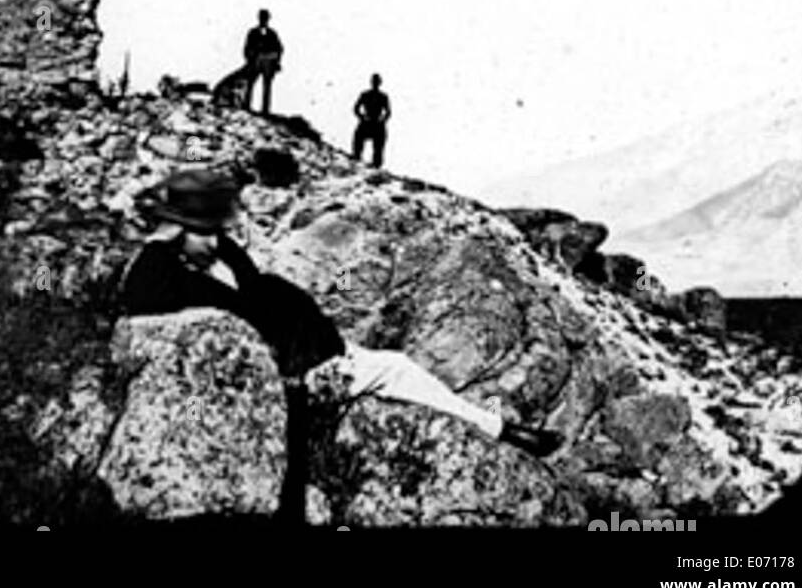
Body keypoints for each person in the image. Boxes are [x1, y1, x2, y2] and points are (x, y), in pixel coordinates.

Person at [120, 168, 564, 467]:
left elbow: (261, 298)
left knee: (397, 366)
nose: (217, 242)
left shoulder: (218, 254)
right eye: (204, 232)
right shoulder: (156, 275)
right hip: (285, 375)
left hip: (312, 352)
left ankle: (502, 429)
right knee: (396, 370)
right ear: (175, 228)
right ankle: (504, 432)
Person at [242, 9, 283, 115]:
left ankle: (265, 109)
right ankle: (247, 105)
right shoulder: (253, 32)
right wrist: (249, 58)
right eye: (262, 17)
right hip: (256, 60)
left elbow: (279, 48)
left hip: (268, 61)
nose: (263, 19)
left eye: (265, 17)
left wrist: (276, 61)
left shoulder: (272, 33)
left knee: (267, 85)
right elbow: (247, 47)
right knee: (251, 83)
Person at [352, 73, 391, 167]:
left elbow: (388, 112)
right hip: (367, 122)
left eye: (376, 82)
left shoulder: (383, 96)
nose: (375, 84)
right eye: (374, 82)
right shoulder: (365, 95)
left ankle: (376, 166)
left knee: (379, 148)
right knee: (358, 140)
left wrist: (382, 120)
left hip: (376, 124)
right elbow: (356, 108)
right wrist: (362, 117)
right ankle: (356, 160)